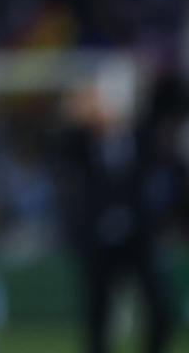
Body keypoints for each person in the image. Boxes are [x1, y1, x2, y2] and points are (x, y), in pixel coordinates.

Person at [56, 67, 178, 353]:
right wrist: (74, 111)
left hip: (139, 236)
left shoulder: (143, 136)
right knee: (97, 315)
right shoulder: (78, 142)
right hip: (97, 240)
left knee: (160, 309)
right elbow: (59, 147)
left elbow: (169, 96)